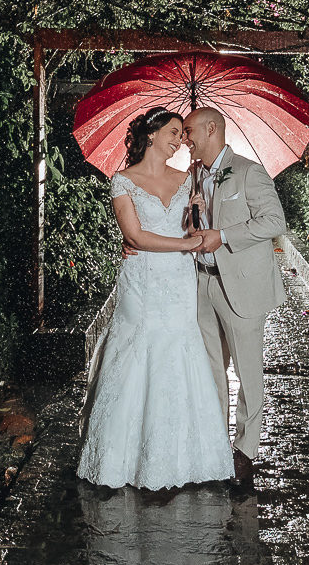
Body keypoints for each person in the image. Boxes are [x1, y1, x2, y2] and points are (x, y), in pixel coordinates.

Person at [77, 107, 235, 490]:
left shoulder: (188, 180)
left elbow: (196, 229)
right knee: (137, 352)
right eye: (175, 132)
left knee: (180, 354)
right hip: (141, 285)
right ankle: (123, 459)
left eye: (183, 134)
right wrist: (186, 244)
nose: (181, 140)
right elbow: (134, 237)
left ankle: (185, 458)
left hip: (180, 284)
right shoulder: (123, 182)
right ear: (152, 134)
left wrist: (198, 218)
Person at [182, 108, 288, 487]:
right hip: (203, 284)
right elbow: (193, 229)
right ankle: (214, 446)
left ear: (212, 129)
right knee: (210, 371)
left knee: (247, 372)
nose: (184, 138)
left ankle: (245, 451)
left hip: (242, 285)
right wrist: (192, 217)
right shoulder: (193, 175)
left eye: (190, 130)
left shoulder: (248, 171)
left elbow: (275, 221)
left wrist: (223, 235)